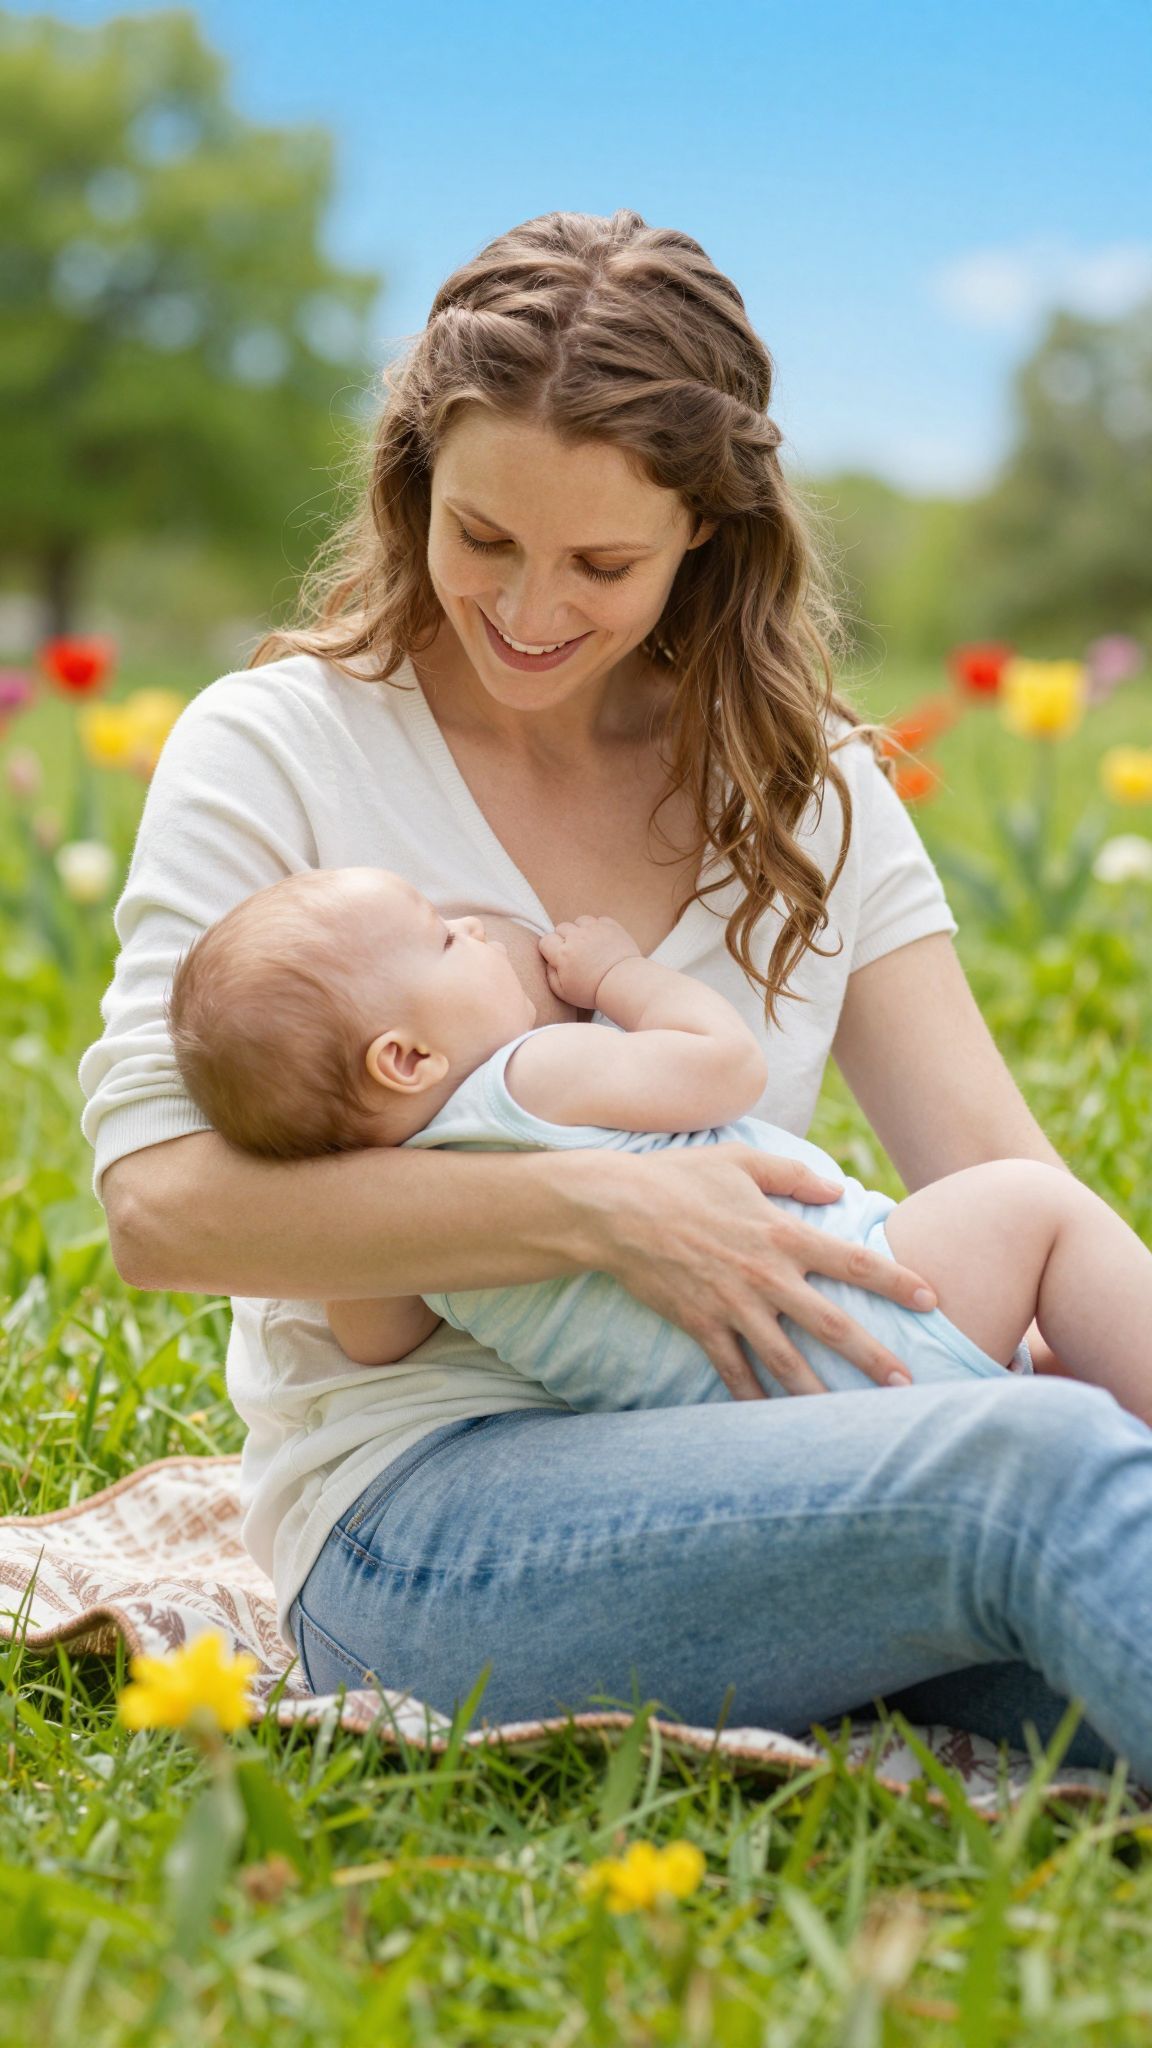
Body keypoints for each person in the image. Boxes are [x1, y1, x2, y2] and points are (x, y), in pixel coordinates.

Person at [78, 208, 1152, 1785]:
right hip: (433, 1523)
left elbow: (1002, 1179)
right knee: (1037, 1471)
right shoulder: (278, 746)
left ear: (708, 533)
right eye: (482, 538)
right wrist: (603, 1214)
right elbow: (164, 1209)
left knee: (1072, 1498)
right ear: (412, 486)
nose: (523, 608)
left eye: (601, 562)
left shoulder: (810, 789)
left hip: (782, 1455)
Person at [165, 862, 1152, 1429]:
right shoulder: (529, 1076)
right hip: (866, 1306)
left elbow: (375, 1340)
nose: (470, 925)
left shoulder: (418, 1237)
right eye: (443, 937)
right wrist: (620, 975)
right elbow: (722, 1065)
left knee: (1060, 1389)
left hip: (753, 1431)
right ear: (410, 1056)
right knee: (1037, 1207)